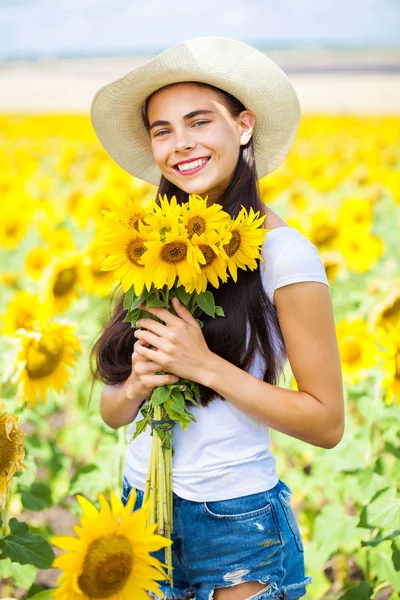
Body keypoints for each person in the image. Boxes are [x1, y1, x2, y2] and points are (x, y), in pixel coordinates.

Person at [89, 36, 345, 600]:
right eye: (162, 130)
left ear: (244, 125)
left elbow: (327, 424)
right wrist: (135, 381)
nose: (180, 145)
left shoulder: (285, 254)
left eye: (199, 121)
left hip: (236, 524)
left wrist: (204, 366)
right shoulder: (151, 244)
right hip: (138, 507)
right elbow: (113, 411)